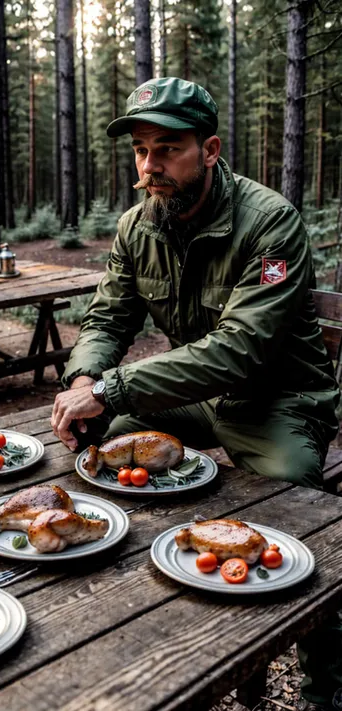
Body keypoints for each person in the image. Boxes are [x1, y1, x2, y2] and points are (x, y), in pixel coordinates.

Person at [51, 77, 341, 710]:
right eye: (140, 150)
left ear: (209, 150)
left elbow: (240, 347)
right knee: (96, 444)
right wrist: (83, 381)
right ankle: (122, 618)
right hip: (196, 398)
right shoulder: (137, 226)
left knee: (304, 521)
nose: (150, 165)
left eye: (168, 149)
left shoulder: (270, 224)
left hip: (277, 403)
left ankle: (328, 683)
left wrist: (114, 385)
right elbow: (106, 320)